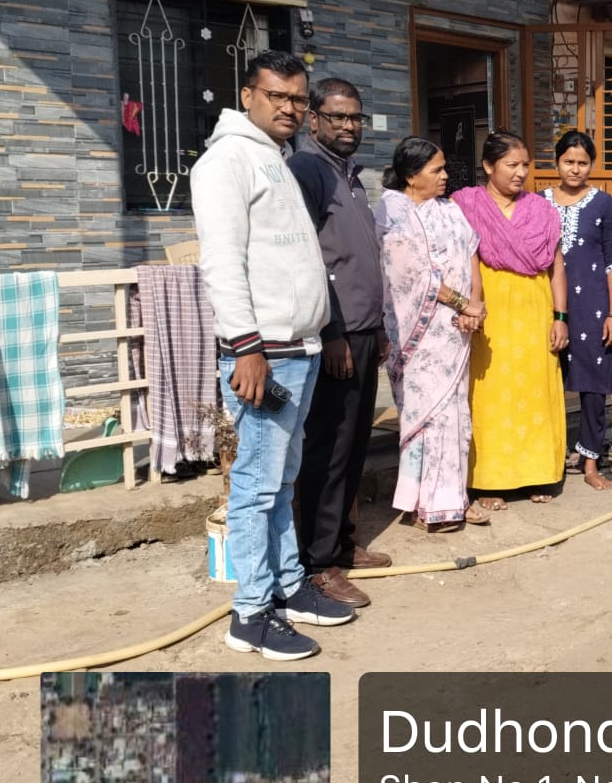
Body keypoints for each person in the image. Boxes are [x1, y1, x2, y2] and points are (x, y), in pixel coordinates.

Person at [193, 50, 355, 661]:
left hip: (298, 348)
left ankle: (288, 586)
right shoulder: (226, 161)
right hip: (264, 353)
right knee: (256, 488)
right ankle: (251, 613)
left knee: (283, 482)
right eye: (276, 96)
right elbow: (222, 262)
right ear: (247, 95)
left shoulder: (276, 158)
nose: (289, 107)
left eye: (297, 98)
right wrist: (245, 346)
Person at [288, 77, 387, 611]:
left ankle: (344, 544)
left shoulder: (352, 177)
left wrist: (380, 328)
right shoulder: (307, 170)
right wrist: (331, 333)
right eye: (338, 116)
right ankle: (319, 562)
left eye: (355, 117)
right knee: (327, 447)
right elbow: (308, 257)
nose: (349, 126)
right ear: (314, 120)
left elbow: (360, 259)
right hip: (336, 335)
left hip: (365, 330)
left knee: (353, 444)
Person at [375, 137, 489, 532]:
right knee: (427, 416)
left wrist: (475, 305)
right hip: (419, 335)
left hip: (456, 332)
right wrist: (462, 303)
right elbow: (411, 275)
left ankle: (452, 499)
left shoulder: (450, 209)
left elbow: (472, 255)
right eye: (436, 170)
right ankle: (422, 503)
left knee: (454, 415)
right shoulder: (393, 212)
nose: (445, 176)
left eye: (444, 169)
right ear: (411, 175)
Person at [452, 130, 568, 508]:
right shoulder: (466, 205)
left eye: (525, 165)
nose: (521, 173)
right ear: (488, 166)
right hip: (490, 314)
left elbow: (557, 268)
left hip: (535, 312)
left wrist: (560, 317)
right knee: (490, 395)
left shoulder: (542, 211)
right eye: (511, 165)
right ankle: (490, 481)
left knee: (535, 394)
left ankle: (538, 474)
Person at [543, 131, 612, 490]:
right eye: (568, 161)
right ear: (557, 162)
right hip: (547, 306)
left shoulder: (603, 203)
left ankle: (590, 462)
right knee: (546, 381)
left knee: (593, 383)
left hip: (593, 306)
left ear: (591, 165)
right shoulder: (539, 202)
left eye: (582, 163)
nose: (575, 169)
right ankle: (548, 459)